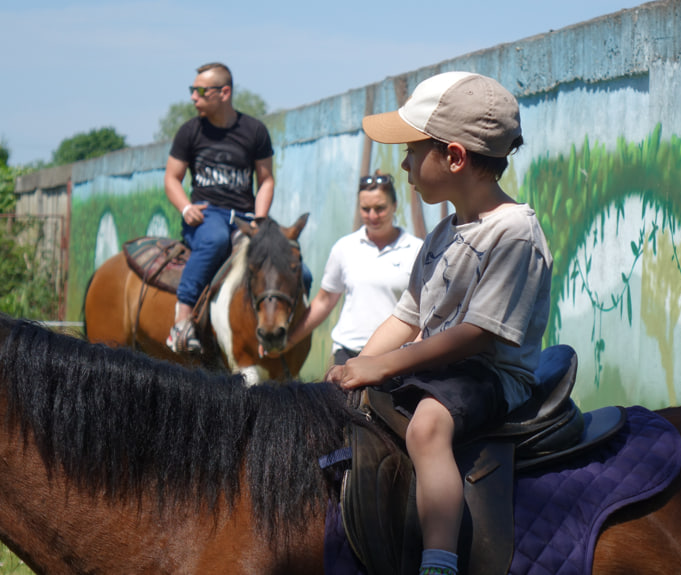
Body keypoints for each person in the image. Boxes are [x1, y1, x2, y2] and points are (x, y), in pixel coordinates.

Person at [328, 72, 553, 575]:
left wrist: (384, 365)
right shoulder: (443, 231)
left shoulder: (514, 232)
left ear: (454, 157)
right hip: (441, 370)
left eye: (411, 150)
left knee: (428, 425)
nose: (403, 163)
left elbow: (476, 334)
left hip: (491, 375)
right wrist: (359, 365)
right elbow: (406, 315)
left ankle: (439, 558)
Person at [164, 62, 275, 353]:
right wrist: (185, 207)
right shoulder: (190, 132)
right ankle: (182, 322)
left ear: (224, 92)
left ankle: (279, 328)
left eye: (200, 91)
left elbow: (266, 180)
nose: (193, 97)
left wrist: (261, 221)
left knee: (279, 255)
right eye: (193, 90)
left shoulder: (255, 131)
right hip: (206, 215)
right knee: (214, 240)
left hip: (244, 217)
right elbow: (172, 178)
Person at [284, 171, 423, 365]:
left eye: (380, 208)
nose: (373, 215)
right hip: (346, 356)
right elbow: (324, 301)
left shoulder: (417, 250)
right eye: (365, 209)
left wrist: (413, 356)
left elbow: (425, 311)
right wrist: (288, 341)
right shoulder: (345, 247)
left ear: (395, 206)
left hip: (394, 359)